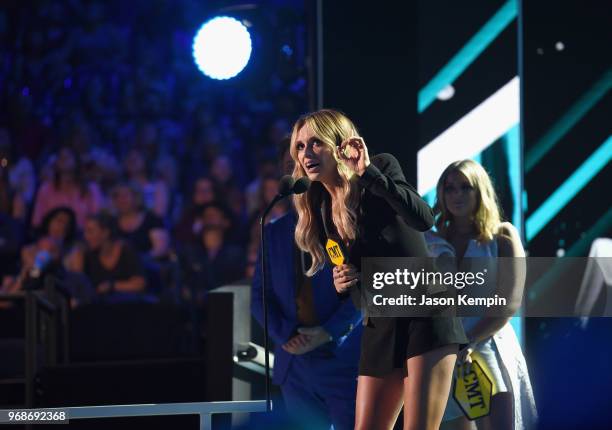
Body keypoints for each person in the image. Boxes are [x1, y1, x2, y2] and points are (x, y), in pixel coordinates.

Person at [289, 109, 467, 430]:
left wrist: (368, 171)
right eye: (300, 146)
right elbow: (357, 289)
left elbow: (423, 219)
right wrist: (344, 283)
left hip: (423, 310)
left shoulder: (380, 169)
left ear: (338, 145)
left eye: (316, 143)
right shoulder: (323, 211)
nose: (307, 154)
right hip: (381, 321)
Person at [428, 160, 537, 430]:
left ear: (480, 191)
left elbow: (509, 303)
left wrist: (469, 341)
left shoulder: (502, 236)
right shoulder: (432, 240)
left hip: (488, 347)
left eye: (466, 187)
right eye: (449, 188)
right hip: (444, 352)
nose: (457, 195)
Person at [251, 210, 363, 430]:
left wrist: (328, 331)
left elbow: (363, 292)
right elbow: (260, 296)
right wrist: (288, 335)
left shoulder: (344, 225)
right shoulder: (274, 231)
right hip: (294, 365)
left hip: (341, 359)